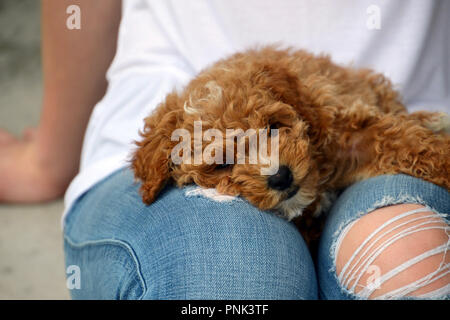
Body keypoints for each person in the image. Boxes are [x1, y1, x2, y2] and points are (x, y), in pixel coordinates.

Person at [0, 0, 448, 299]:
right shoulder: (171, 142)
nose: (273, 167)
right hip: (147, 92)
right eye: (224, 160)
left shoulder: (320, 111)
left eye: (274, 128)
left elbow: (382, 140)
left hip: (400, 114)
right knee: (235, 282)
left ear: (293, 107)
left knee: (405, 260)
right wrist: (49, 158)